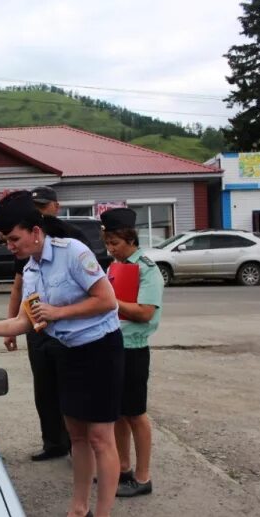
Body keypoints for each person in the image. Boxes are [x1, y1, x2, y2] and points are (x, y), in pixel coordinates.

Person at [0, 190, 123, 517]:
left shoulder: (73, 252)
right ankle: (79, 509)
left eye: (14, 238)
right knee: (76, 434)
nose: (10, 246)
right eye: (5, 240)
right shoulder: (31, 270)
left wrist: (58, 314)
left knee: (100, 437)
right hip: (67, 353)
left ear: (35, 232)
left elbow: (108, 301)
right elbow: (23, 321)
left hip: (100, 350)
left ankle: (102, 514)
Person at [5, 185, 90, 462]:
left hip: (69, 328)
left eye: (43, 206)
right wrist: (11, 325)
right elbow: (19, 285)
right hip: (37, 326)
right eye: (35, 207)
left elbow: (95, 291)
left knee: (70, 389)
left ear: (56, 206)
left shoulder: (73, 238)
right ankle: (55, 443)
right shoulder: (25, 239)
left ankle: (77, 447)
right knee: (45, 388)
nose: (40, 212)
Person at [102, 207, 163, 498]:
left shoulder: (147, 269)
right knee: (117, 415)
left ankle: (143, 476)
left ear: (130, 239)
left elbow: (145, 312)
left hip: (135, 349)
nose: (111, 249)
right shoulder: (113, 267)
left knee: (136, 414)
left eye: (115, 243)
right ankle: (123, 468)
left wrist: (110, 300)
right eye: (107, 244)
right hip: (112, 345)